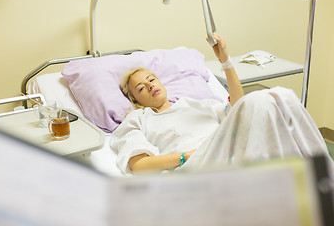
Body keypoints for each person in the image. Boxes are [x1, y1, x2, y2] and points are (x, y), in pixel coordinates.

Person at [111, 33, 333, 175]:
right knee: (264, 99)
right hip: (196, 163)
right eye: (141, 88)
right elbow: (138, 165)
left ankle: (322, 177)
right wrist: (186, 156)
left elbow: (237, 109)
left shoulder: (195, 104)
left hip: (233, 150)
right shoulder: (138, 119)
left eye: (151, 79)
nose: (149, 86)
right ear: (135, 99)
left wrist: (225, 60)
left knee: (281, 97)